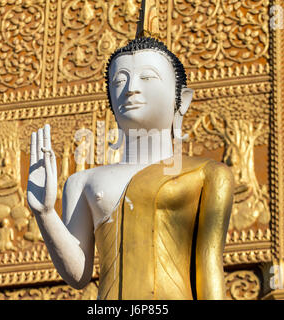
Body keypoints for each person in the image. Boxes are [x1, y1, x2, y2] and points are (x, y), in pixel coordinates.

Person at [27, 2, 233, 300]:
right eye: (119, 81)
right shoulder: (83, 182)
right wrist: (45, 213)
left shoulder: (207, 174)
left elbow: (209, 264)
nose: (130, 89)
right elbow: (78, 275)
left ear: (182, 100)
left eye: (147, 78)